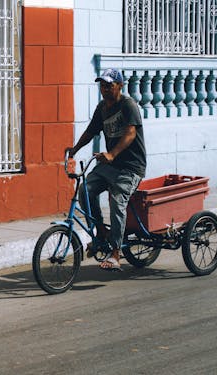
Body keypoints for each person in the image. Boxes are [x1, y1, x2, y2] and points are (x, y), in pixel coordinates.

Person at [65, 68, 146, 271]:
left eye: (109, 85)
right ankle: (101, 231)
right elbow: (91, 131)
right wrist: (74, 149)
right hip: (111, 166)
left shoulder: (128, 105)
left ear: (120, 86)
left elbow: (129, 134)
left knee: (117, 202)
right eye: (102, 85)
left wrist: (112, 154)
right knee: (85, 190)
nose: (105, 89)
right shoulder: (102, 108)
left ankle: (116, 253)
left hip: (130, 168)